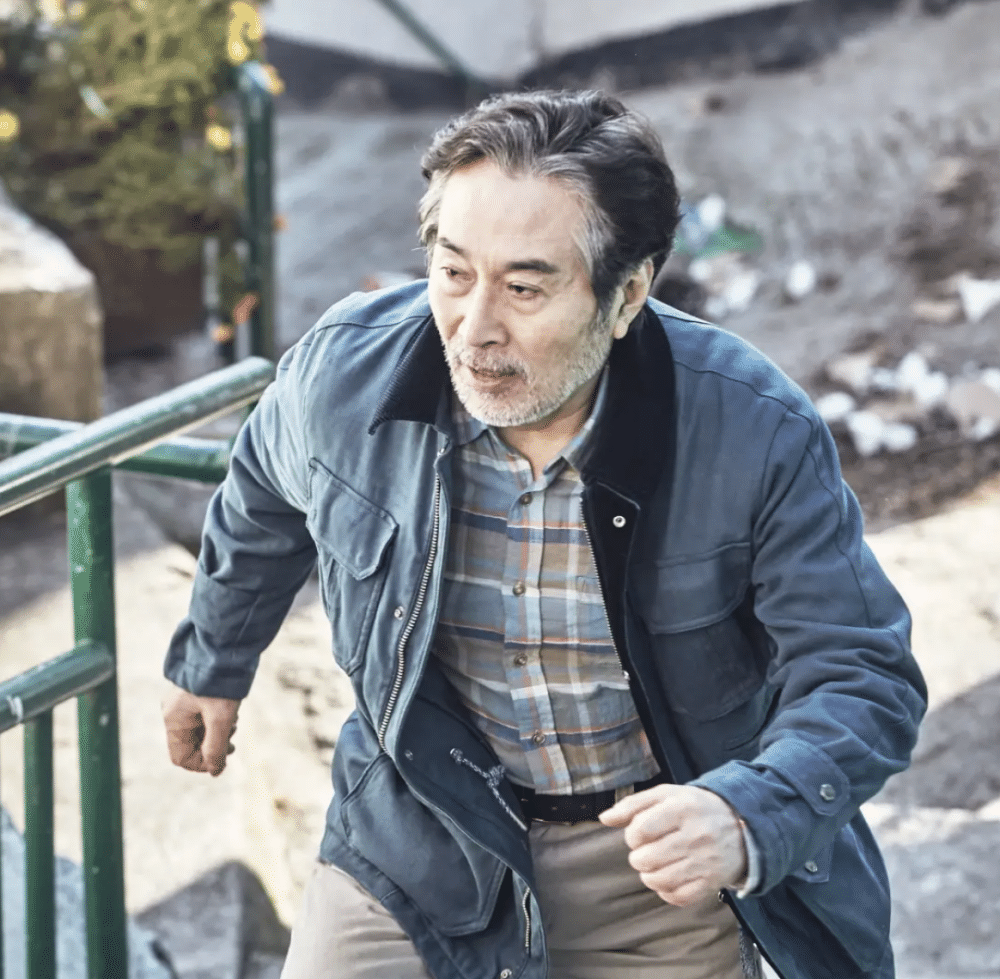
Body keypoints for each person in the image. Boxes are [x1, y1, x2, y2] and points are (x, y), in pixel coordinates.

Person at [161, 89, 926, 979]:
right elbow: (262, 484)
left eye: (524, 288)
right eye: (453, 273)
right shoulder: (341, 372)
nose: (475, 329)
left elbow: (862, 671)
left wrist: (747, 812)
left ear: (627, 294)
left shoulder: (755, 428)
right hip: (418, 844)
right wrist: (215, 657)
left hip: (658, 871)